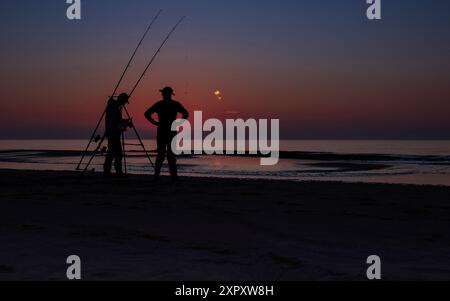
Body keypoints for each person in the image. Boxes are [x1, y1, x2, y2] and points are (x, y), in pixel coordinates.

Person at [145, 87, 189, 181]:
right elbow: (186, 114)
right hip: (167, 131)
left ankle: (160, 176)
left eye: (164, 93)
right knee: (168, 155)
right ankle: (170, 176)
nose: (162, 95)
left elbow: (147, 114)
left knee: (164, 155)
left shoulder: (161, 104)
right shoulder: (173, 104)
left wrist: (155, 123)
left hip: (163, 131)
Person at [103, 93, 129, 177]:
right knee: (116, 153)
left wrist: (125, 124)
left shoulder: (115, 107)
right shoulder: (114, 107)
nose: (124, 103)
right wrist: (125, 124)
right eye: (124, 101)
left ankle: (109, 171)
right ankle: (116, 171)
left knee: (112, 152)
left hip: (113, 132)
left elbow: (116, 121)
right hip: (113, 133)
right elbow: (114, 122)